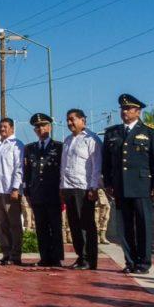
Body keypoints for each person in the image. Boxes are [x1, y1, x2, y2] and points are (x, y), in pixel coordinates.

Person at [103, 93, 154, 274]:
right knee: (125, 227)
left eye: (129, 108)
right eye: (123, 108)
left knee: (143, 225)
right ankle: (130, 261)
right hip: (120, 186)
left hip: (141, 186)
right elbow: (106, 162)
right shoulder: (112, 133)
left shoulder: (150, 131)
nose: (125, 112)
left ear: (138, 112)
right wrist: (108, 182)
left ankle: (143, 263)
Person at [60, 108, 102, 270]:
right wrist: (61, 187)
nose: (70, 123)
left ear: (83, 120)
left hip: (83, 188)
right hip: (69, 187)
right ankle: (80, 256)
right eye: (68, 120)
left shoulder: (92, 139)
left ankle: (90, 259)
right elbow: (64, 166)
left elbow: (96, 165)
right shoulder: (68, 140)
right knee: (74, 225)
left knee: (86, 224)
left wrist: (94, 187)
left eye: (73, 119)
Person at [23, 113, 64, 267]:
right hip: (37, 193)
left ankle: (56, 258)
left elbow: (62, 170)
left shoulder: (59, 147)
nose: (41, 129)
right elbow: (27, 171)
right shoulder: (30, 148)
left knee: (55, 226)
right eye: (37, 127)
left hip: (53, 193)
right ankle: (44, 257)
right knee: (40, 227)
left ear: (50, 127)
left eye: (43, 126)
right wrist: (27, 190)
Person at [0, 118, 25, 266]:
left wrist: (16, 188)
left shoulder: (17, 145)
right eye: (0, 127)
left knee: (14, 224)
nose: (2, 129)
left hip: (10, 190)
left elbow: (19, 167)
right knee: (1, 224)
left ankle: (15, 255)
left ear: (12, 128)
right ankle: (6, 253)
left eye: (5, 127)